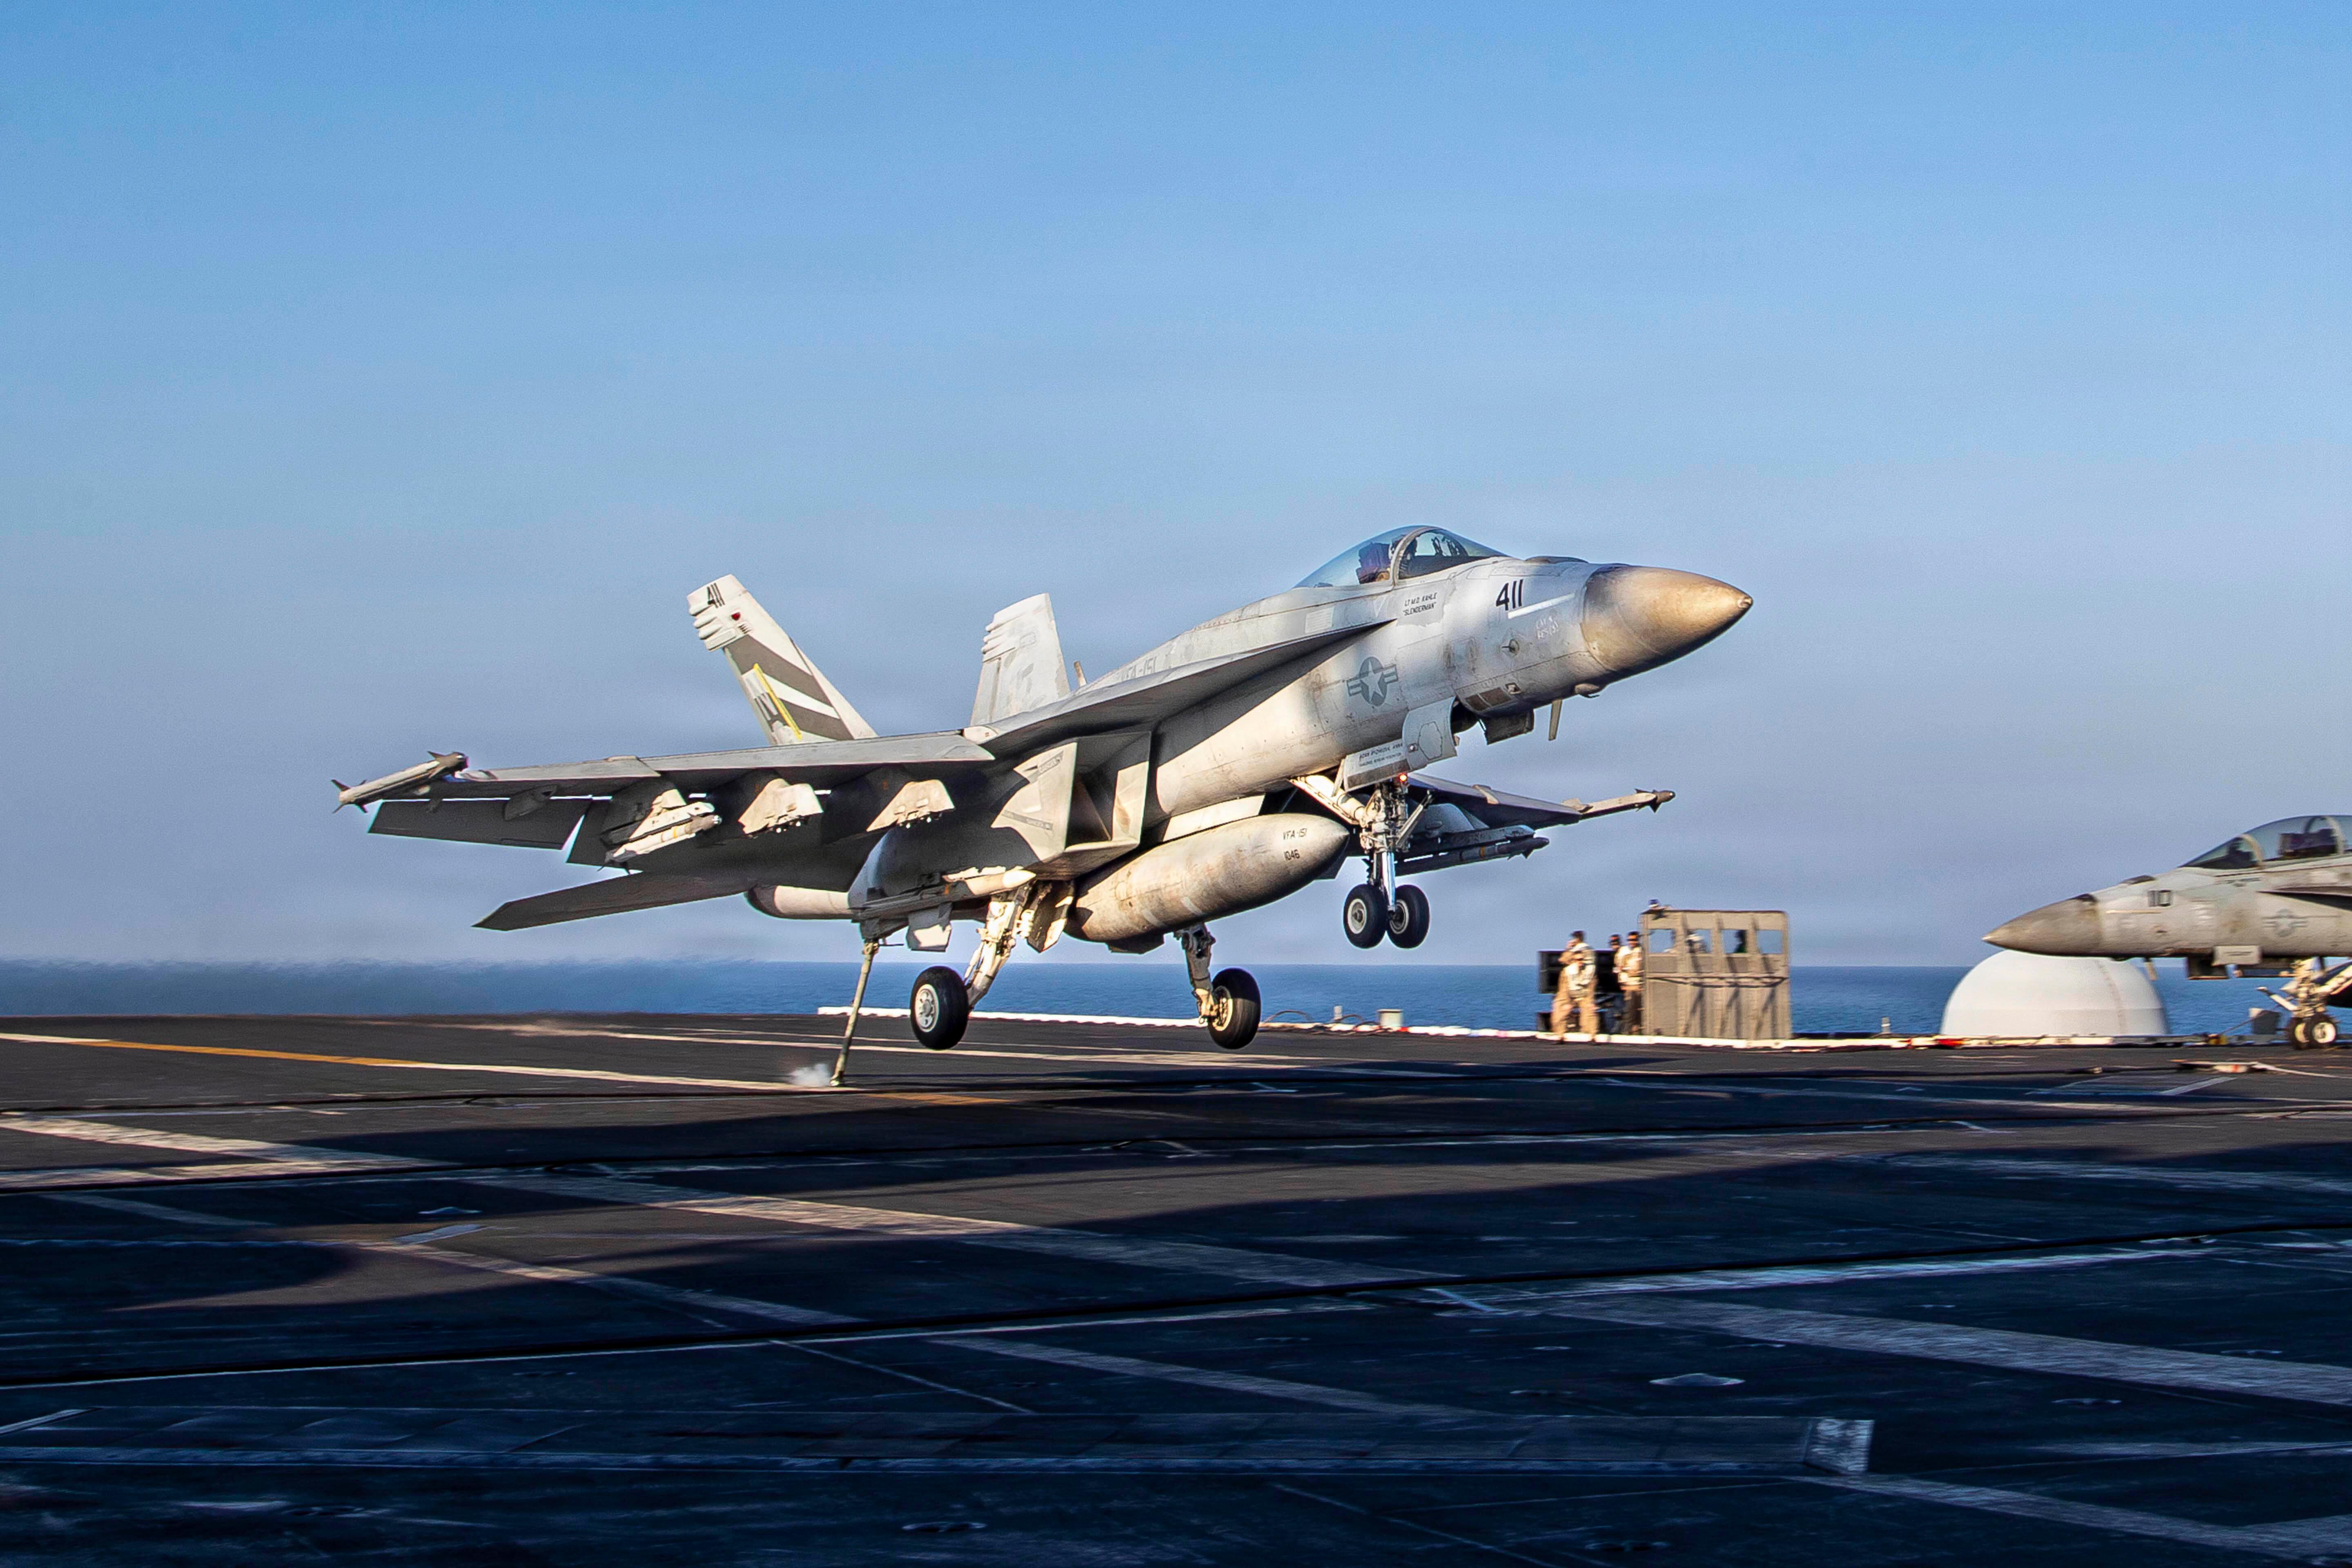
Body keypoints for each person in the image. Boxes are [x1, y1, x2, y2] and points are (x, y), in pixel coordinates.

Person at [1551, 930, 1596, 1037]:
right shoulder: (1590, 950)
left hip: (1573, 980)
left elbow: (1563, 960)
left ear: (1576, 939)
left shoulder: (1577, 950)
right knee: (1589, 1010)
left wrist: (1569, 948)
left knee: (1561, 1006)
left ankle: (1560, 1034)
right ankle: (1592, 1035)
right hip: (1586, 982)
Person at [1616, 930, 1644, 1033]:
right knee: (1629, 1009)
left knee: (1636, 1009)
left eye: (1634, 940)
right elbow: (1618, 967)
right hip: (1627, 985)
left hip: (1637, 985)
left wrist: (1626, 969)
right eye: (1630, 940)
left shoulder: (1641, 951)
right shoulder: (1623, 951)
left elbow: (1637, 970)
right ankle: (1627, 1030)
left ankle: (1634, 1030)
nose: (1632, 942)